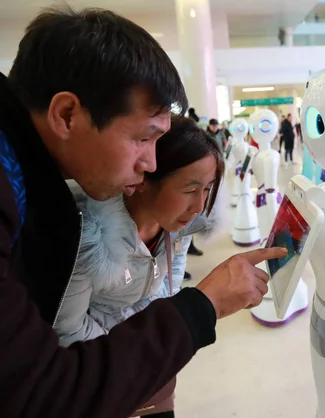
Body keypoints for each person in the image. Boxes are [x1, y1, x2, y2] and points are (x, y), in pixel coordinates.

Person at [0, 7, 284, 417]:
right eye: (142, 138)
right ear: (67, 114)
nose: (150, 163)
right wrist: (203, 306)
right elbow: (29, 394)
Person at [56, 116, 224, 417]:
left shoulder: (177, 226)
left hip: (147, 361)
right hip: (99, 367)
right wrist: (138, 350)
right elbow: (68, 330)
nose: (199, 207)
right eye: (190, 189)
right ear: (144, 179)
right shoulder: (88, 238)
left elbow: (171, 278)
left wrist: (155, 335)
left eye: (207, 190)